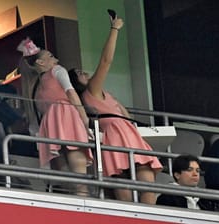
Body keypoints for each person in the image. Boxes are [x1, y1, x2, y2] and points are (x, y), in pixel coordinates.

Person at [68, 12, 162, 204]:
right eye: (79, 73)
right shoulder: (90, 92)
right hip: (115, 138)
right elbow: (105, 61)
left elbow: (126, 118)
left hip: (128, 135)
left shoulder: (105, 94)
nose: (84, 72)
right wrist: (114, 29)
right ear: (76, 83)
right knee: (126, 194)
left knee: (148, 186)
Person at [17, 37, 93, 196]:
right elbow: (71, 92)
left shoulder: (34, 87)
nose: (56, 59)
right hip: (66, 115)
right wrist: (84, 119)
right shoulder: (57, 71)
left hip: (49, 122)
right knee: (76, 158)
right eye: (51, 56)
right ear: (41, 63)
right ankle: (83, 198)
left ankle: (71, 200)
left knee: (62, 167)